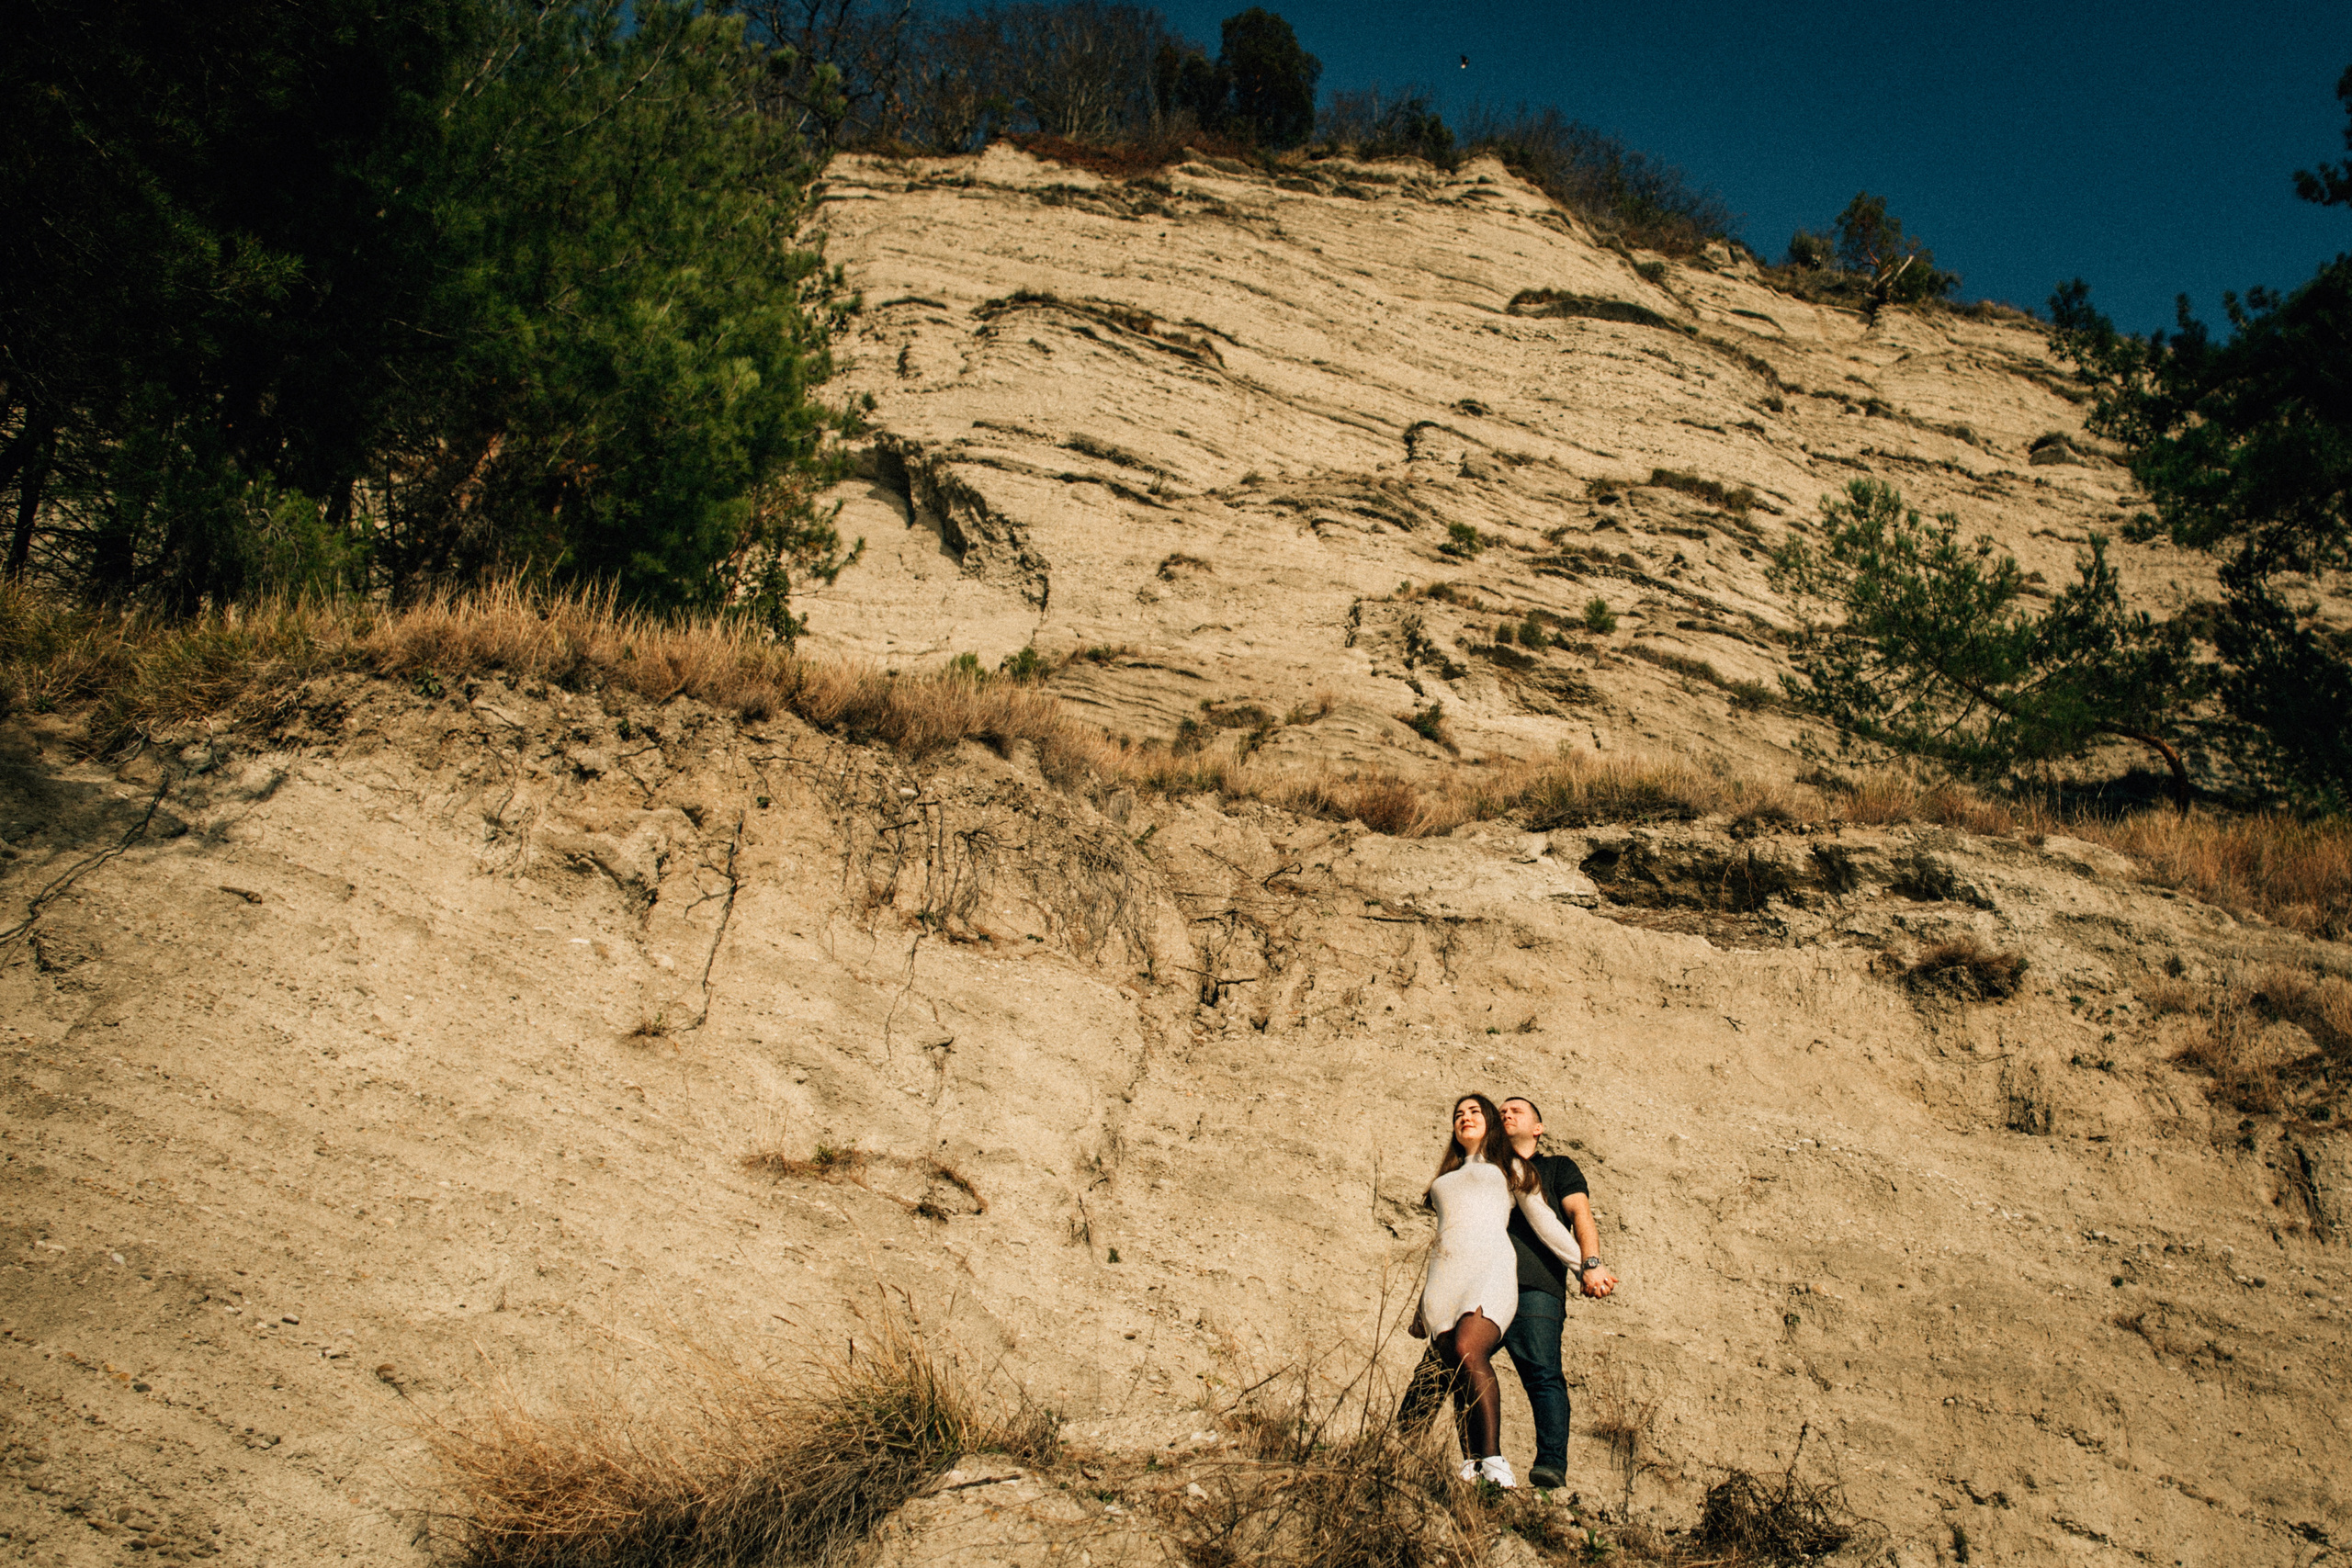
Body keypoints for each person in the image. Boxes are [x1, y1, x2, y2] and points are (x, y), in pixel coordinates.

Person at [1400, 1093, 1617, 1491]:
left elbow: (1556, 1220)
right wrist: (1421, 1305)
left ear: (1536, 1127)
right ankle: (1439, 1461)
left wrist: (1587, 1264)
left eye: (1477, 1112)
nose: (1468, 1117)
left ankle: (1525, 1464)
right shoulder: (1451, 1177)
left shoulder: (1534, 1167)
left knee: (1526, 1368)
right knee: (1443, 1370)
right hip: (1453, 1278)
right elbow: (1443, 1239)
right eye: (1459, 1114)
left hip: (1517, 1279)